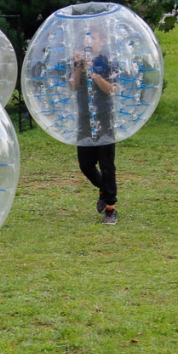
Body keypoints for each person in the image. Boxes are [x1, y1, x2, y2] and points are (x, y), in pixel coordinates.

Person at [68, 25, 118, 225]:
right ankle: (103, 191)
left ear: (101, 42)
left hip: (104, 118)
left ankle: (110, 208)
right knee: (86, 164)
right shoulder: (77, 61)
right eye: (86, 38)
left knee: (106, 165)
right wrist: (80, 67)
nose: (88, 41)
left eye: (93, 37)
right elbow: (72, 86)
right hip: (84, 119)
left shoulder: (108, 62)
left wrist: (94, 73)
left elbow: (111, 90)